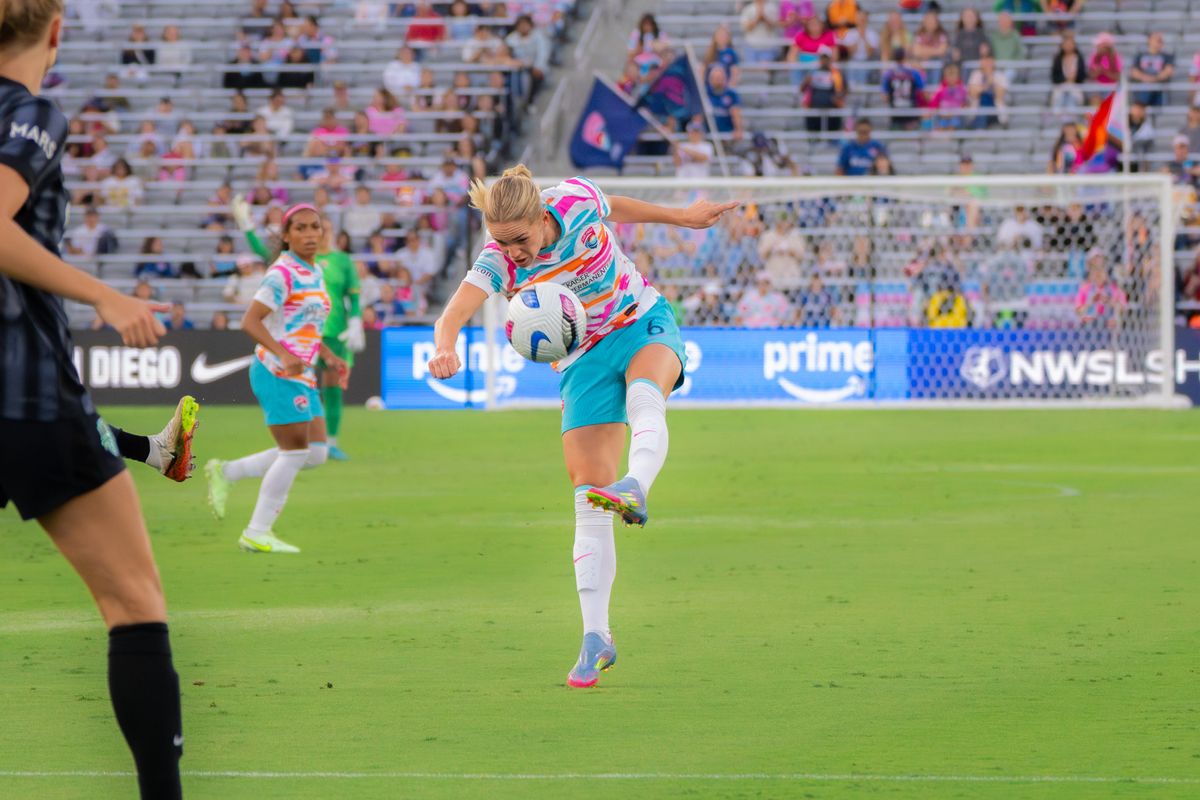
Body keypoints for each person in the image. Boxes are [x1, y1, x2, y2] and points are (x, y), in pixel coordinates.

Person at [427, 166, 736, 688]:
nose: (513, 251)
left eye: (520, 239)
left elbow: (617, 204)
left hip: (639, 319)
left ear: (539, 215)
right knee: (589, 495)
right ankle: (596, 638)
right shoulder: (497, 260)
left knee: (645, 394)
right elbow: (453, 312)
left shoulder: (572, 200)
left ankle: (636, 486)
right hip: (581, 361)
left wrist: (681, 218)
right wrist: (443, 346)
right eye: (501, 240)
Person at [0, 3, 188, 796]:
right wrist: (102, 296)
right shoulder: (30, 110)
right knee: (133, 600)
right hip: (23, 391)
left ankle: (152, 449)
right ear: (57, 31)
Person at [204, 205, 347, 553]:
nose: (311, 234)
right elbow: (251, 321)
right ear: (286, 235)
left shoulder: (313, 271)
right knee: (295, 451)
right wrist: (284, 354)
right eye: (301, 228)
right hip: (277, 371)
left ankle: (228, 472)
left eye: (316, 227)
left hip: (302, 372)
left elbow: (305, 324)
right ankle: (256, 531)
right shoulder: (282, 272)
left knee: (316, 452)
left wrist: (326, 355)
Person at [881, 47, 925, 130]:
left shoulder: (888, 74)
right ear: (905, 56)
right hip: (911, 110)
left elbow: (884, 97)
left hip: (895, 111)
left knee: (896, 138)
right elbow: (921, 90)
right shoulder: (913, 72)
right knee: (911, 138)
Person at [1130, 32, 1174, 108]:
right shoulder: (1140, 55)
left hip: (1159, 88)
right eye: (1157, 40)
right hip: (1144, 87)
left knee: (1154, 89)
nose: (1160, 42)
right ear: (1149, 40)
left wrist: (1154, 79)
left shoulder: (1167, 56)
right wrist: (1146, 78)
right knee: (1146, 89)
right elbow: (1134, 72)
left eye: (1161, 40)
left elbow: (1168, 71)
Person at [1051, 31, 1085, 113]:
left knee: (1072, 102)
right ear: (1062, 45)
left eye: (1070, 43)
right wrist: (1065, 80)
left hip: (1075, 87)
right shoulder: (1058, 59)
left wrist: (1074, 79)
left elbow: (1082, 76)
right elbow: (1054, 77)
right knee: (1059, 101)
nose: (1068, 46)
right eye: (1066, 43)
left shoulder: (1079, 58)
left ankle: (1071, 121)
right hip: (1060, 88)